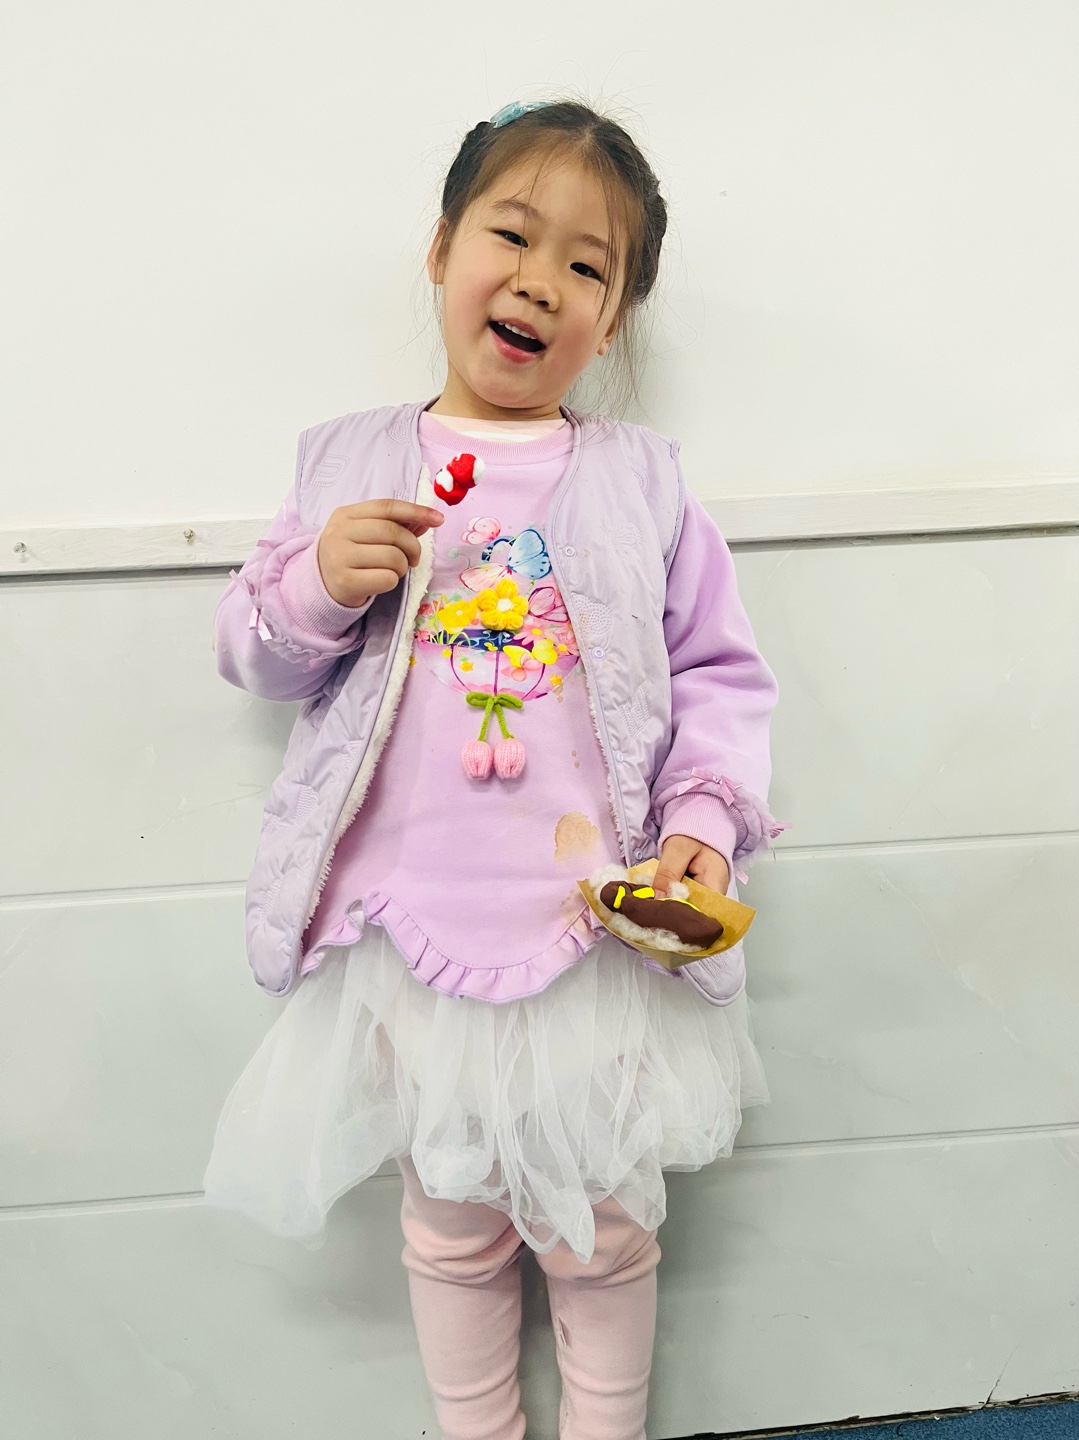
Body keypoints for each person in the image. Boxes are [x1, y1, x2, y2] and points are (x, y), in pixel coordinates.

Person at [204, 97, 786, 1440]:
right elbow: (252, 654)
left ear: (614, 318)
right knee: (452, 1223)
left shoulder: (643, 482)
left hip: (594, 937)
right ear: (441, 249)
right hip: (413, 935)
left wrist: (705, 821)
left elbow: (718, 674)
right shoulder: (346, 462)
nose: (539, 281)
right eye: (511, 236)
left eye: (587, 265)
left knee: (605, 1231)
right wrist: (315, 582)